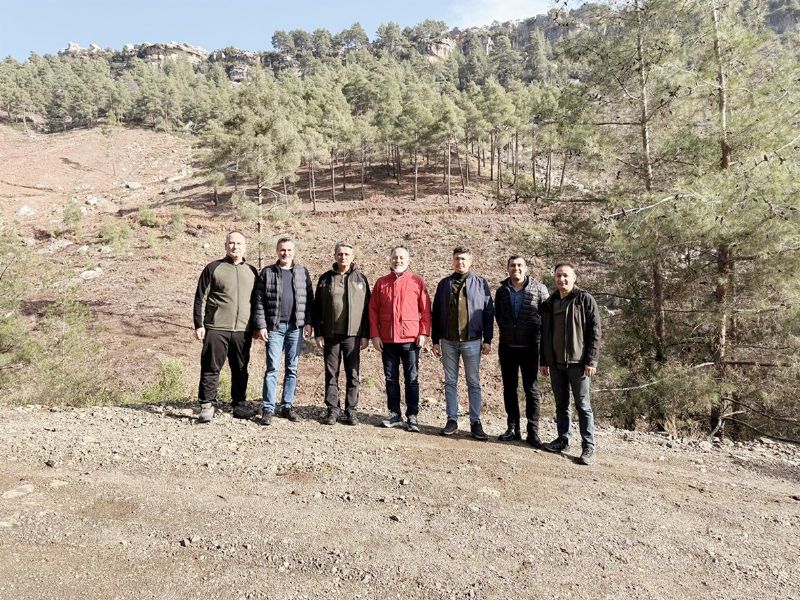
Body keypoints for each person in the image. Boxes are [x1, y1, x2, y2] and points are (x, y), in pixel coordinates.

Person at [539, 262, 602, 465]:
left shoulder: (584, 299)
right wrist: (544, 360)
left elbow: (595, 332)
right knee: (561, 405)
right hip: (556, 363)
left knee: (583, 405)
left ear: (574, 278)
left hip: (579, 363)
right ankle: (563, 440)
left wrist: (591, 360)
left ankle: (588, 447)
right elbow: (544, 334)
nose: (562, 279)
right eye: (558, 275)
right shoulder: (550, 303)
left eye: (566, 275)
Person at [193, 231, 258, 423]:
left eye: (239, 243)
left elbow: (257, 301)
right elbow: (199, 297)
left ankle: (239, 405)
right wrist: (198, 324)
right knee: (211, 367)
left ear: (245, 247)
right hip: (216, 328)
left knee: (240, 369)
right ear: (225, 245)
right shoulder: (213, 268)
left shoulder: (252, 271)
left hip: (243, 330)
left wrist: (256, 325)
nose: (235, 246)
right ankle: (207, 404)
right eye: (231, 243)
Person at [431, 245, 494, 440]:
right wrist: (435, 340)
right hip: (448, 341)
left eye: (464, 259)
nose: (460, 262)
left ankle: (475, 422)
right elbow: (436, 312)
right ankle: (452, 420)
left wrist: (488, 339)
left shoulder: (480, 283)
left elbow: (488, 312)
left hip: (472, 341)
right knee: (450, 381)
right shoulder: (444, 284)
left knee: (473, 382)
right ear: (452, 261)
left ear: (470, 261)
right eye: (457, 259)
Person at [252, 236, 313, 426]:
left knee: (292, 368)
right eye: (282, 250)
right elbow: (259, 301)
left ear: (294, 252)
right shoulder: (267, 272)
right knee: (272, 368)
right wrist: (261, 325)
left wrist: (308, 322)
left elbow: (309, 299)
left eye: (289, 250)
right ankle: (268, 408)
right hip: (274, 328)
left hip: (296, 327)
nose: (285, 253)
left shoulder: (302, 272)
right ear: (277, 251)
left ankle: (287, 406)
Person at [369, 245, 431, 432]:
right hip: (387, 340)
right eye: (395, 257)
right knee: (391, 379)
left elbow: (425, 309)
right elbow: (373, 310)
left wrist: (423, 332)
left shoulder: (416, 281)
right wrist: (375, 334)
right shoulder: (381, 283)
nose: (398, 261)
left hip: (410, 340)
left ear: (408, 260)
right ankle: (394, 413)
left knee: (412, 378)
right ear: (390, 259)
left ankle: (412, 415)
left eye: (402, 257)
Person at [313, 242, 371, 426]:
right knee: (331, 373)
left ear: (352, 257)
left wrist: (365, 335)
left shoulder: (360, 279)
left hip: (353, 335)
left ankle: (351, 410)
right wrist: (318, 333)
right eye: (340, 254)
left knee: (353, 374)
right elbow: (317, 308)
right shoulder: (325, 279)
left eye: (347, 254)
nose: (343, 257)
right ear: (335, 256)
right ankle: (333, 409)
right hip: (331, 335)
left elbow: (368, 310)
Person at [494, 256, 549, 446]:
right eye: (512, 265)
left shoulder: (540, 289)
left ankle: (533, 432)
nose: (515, 268)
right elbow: (498, 315)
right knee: (509, 389)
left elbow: (547, 320)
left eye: (519, 265)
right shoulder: (502, 291)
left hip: (531, 348)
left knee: (531, 390)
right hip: (507, 347)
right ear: (507, 268)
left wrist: (544, 351)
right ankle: (513, 428)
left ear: (526, 268)